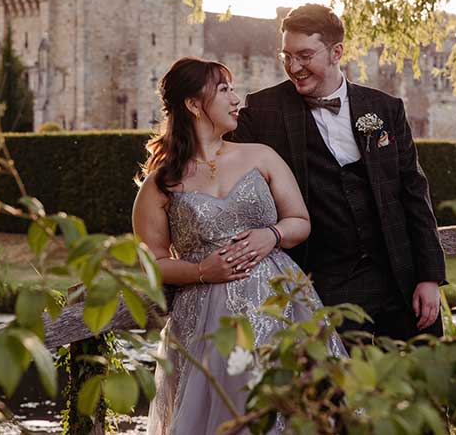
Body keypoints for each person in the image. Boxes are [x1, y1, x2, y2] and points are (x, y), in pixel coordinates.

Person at [134, 57, 345, 435]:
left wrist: (273, 235)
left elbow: (300, 221)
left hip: (279, 308)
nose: (236, 99)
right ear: (194, 105)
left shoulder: (261, 155)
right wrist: (202, 271)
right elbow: (153, 263)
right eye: (224, 90)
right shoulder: (160, 184)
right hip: (206, 323)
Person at [231, 3, 446, 341]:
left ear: (336, 52)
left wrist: (429, 277)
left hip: (399, 278)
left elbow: (413, 193)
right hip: (322, 288)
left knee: (420, 385)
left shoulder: (386, 109)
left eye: (304, 55)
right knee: (337, 391)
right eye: (286, 56)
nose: (294, 67)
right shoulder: (264, 111)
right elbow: (211, 151)